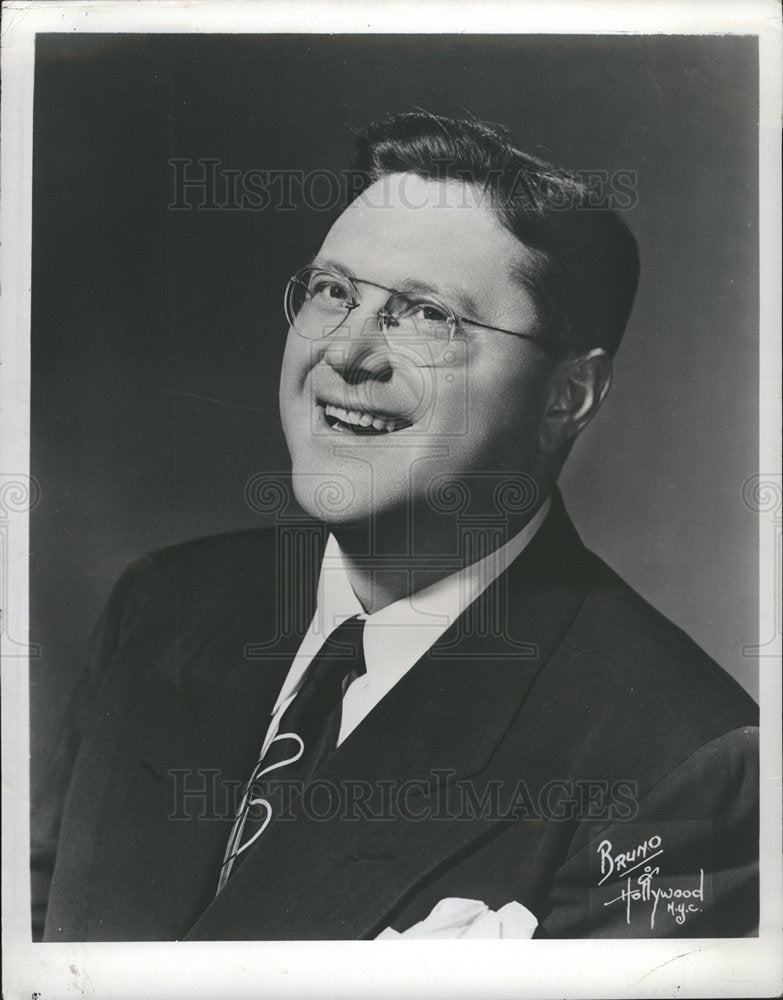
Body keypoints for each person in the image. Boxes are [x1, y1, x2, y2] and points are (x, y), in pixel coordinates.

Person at [34, 112, 758, 941]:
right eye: (334, 291)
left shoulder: (680, 760)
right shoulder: (162, 603)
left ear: (567, 398)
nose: (348, 352)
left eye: (426, 315)